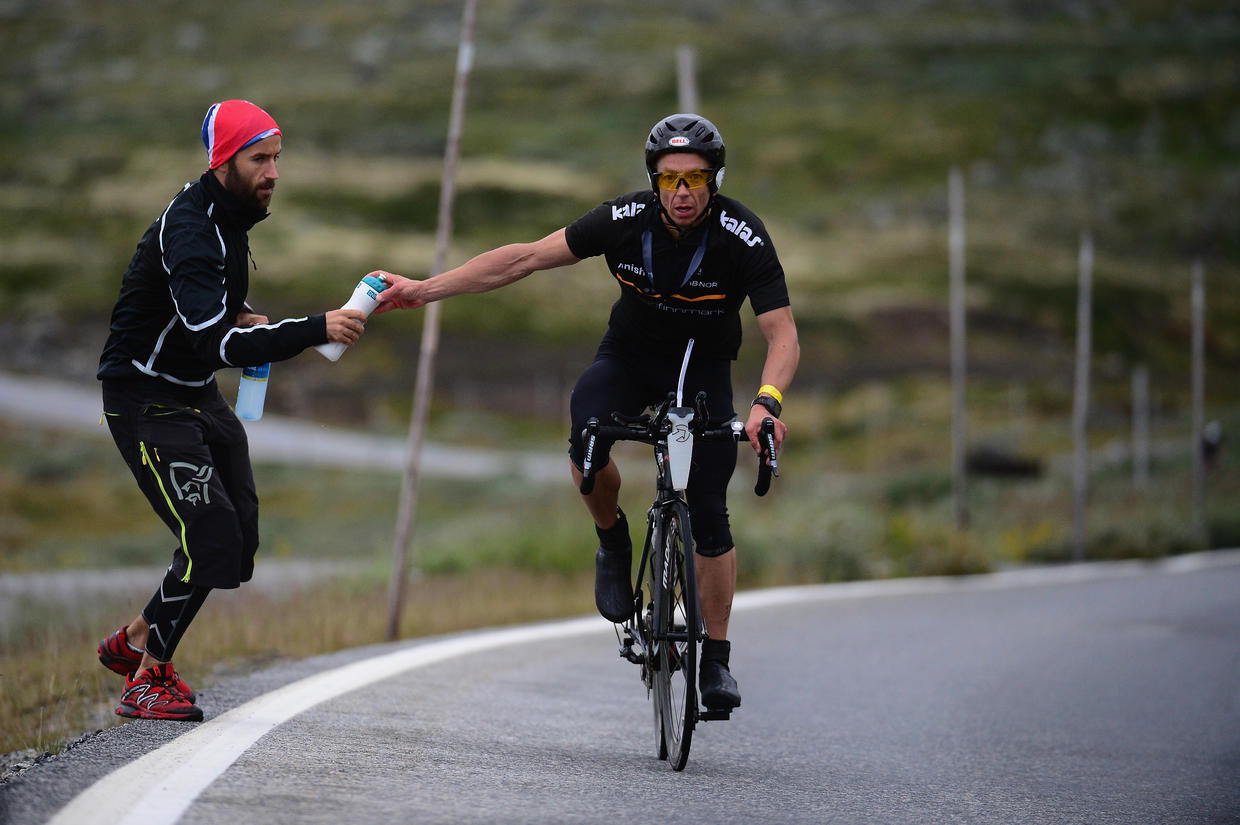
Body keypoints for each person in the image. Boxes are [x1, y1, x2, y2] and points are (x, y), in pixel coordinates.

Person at [370, 113, 799, 711]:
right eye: (669, 180)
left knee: (708, 512)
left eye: (695, 180)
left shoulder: (742, 235)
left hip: (701, 372)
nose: (681, 193)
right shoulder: (622, 221)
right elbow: (523, 259)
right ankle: (612, 540)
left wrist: (766, 404)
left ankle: (717, 664)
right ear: (653, 181)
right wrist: (423, 289)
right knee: (587, 434)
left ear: (714, 181)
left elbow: (782, 336)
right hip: (630, 359)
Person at [95, 99, 368, 721]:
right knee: (209, 537)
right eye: (259, 159)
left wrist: (243, 317)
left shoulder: (233, 216)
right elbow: (212, 342)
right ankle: (147, 677)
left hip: (194, 393)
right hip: (145, 398)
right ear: (224, 162)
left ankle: (132, 640)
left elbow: (210, 317)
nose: (273, 171)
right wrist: (310, 328)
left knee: (236, 543)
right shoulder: (192, 231)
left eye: (277, 158)